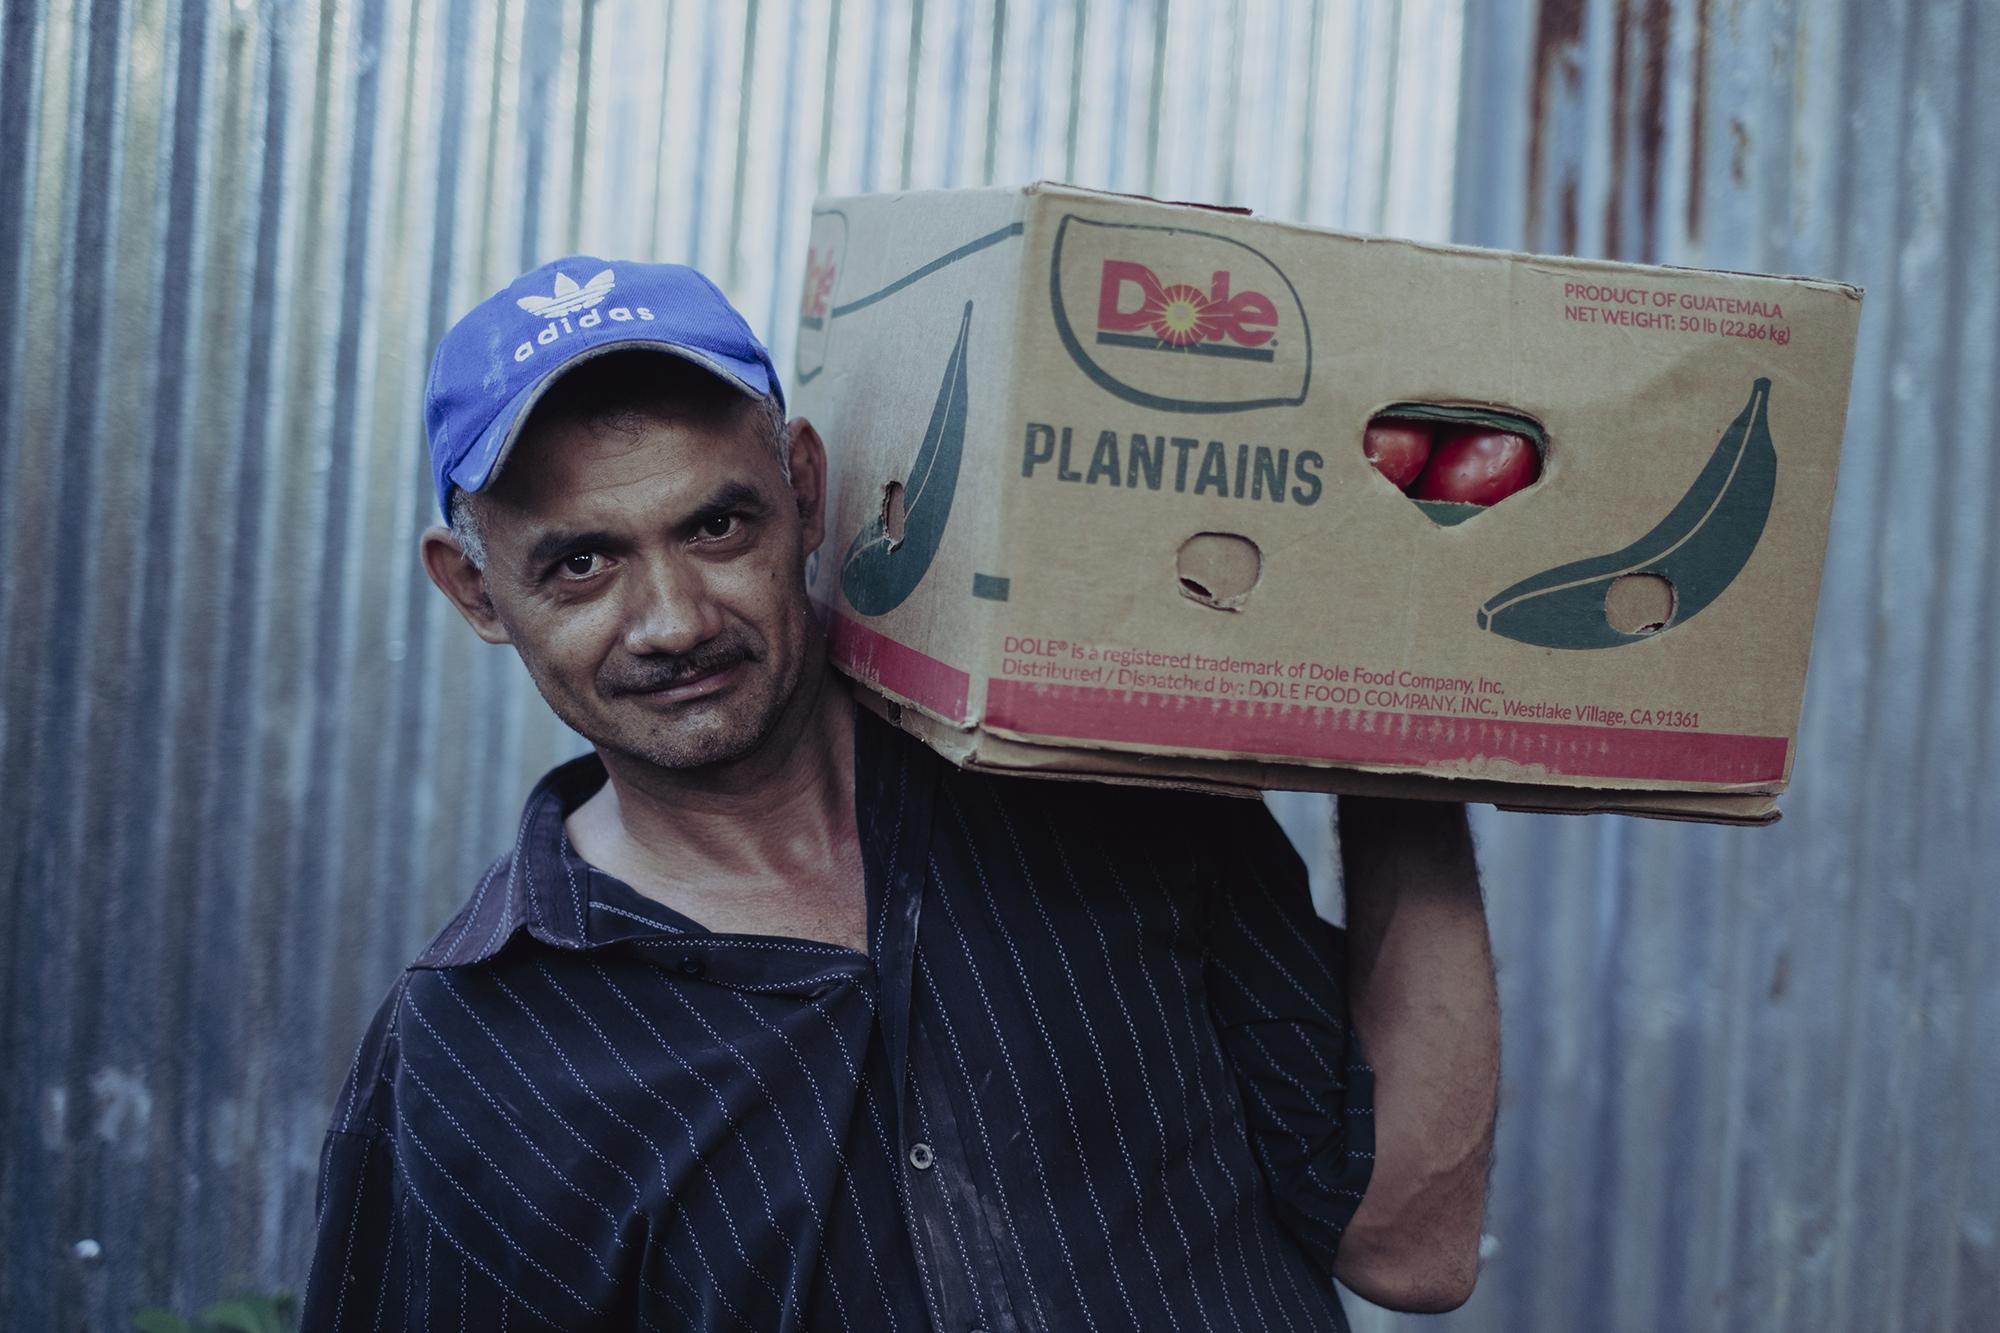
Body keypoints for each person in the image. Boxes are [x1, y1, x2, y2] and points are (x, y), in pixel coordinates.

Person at [301, 256, 1500, 1331]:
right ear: (472, 591)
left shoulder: (1101, 790)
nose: (671, 620)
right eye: (581, 562)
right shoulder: (471, 1060)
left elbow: (1411, 1243)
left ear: (807, 493)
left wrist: (1399, 717)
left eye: (717, 524)